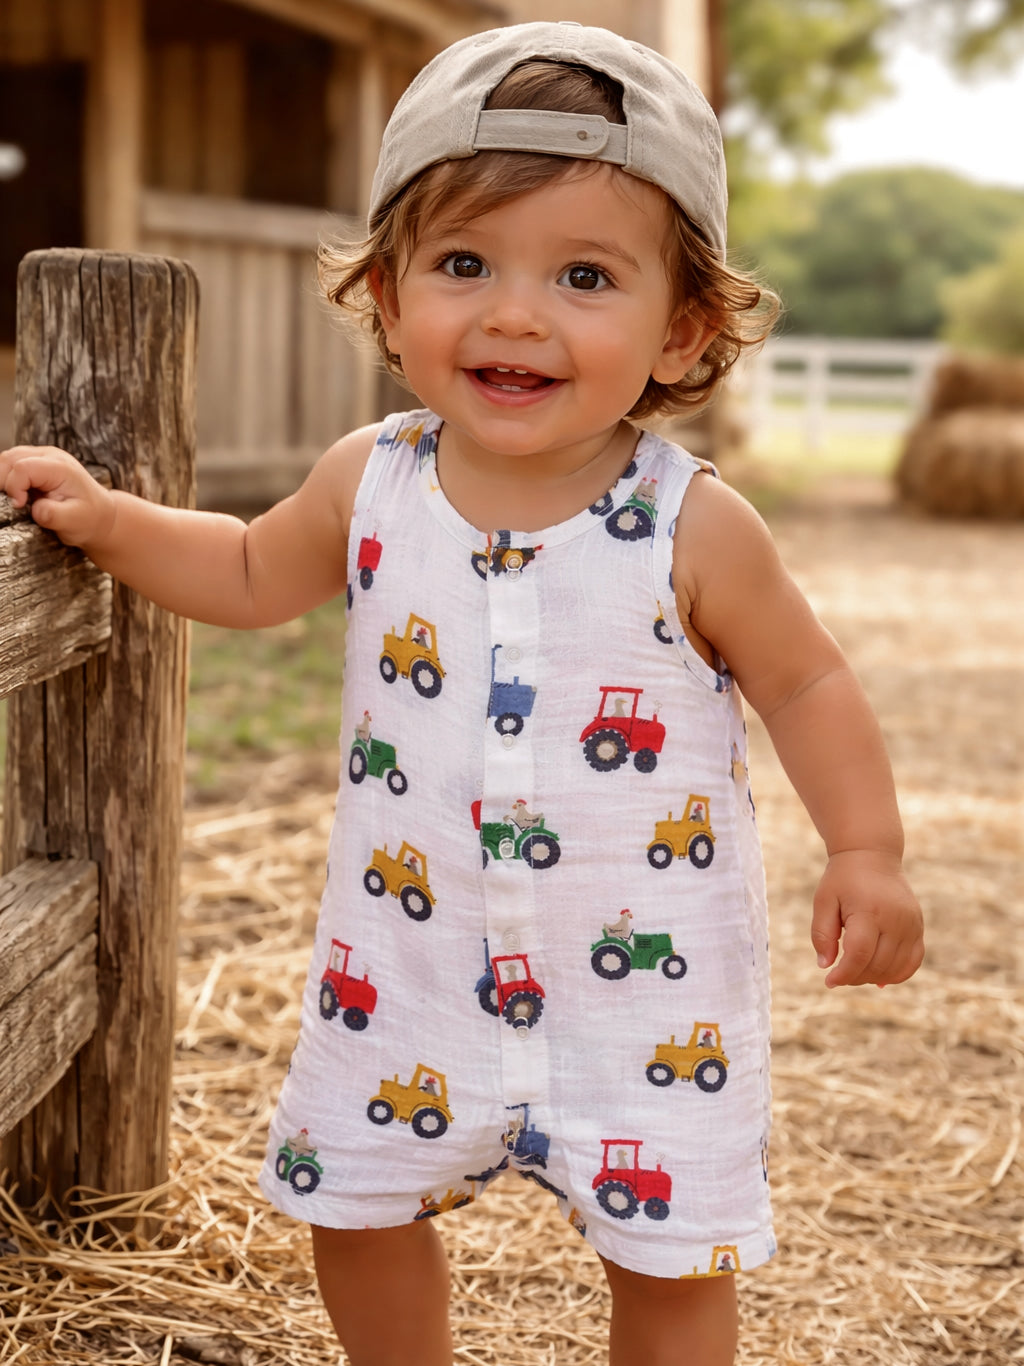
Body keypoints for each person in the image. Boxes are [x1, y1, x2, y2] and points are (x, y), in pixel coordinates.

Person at [0, 21, 924, 1366]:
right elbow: (253, 569)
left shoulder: (693, 525)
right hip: (409, 968)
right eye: (463, 262)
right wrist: (110, 520)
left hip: (641, 997)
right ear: (386, 292)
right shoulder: (368, 479)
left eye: (585, 275)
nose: (512, 312)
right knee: (353, 1210)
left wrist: (870, 846)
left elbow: (808, 678)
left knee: (667, 1263)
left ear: (683, 328)